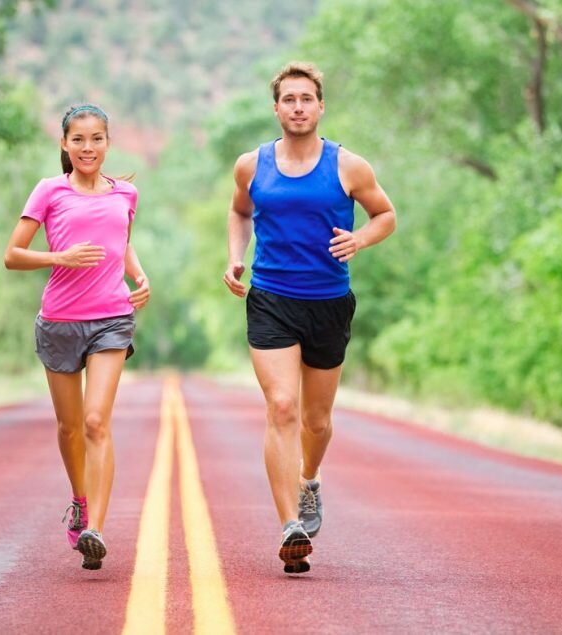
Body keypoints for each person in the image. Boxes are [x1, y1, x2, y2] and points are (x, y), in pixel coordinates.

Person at [223, 62, 396, 574]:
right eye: (289, 99)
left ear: (320, 107)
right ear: (276, 108)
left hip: (328, 302)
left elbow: (385, 215)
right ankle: (289, 525)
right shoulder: (251, 165)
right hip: (272, 297)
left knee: (316, 421)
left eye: (306, 99)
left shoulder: (349, 167)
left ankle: (310, 481)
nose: (298, 107)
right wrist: (236, 255)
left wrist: (359, 238)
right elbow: (239, 212)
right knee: (281, 406)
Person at [4, 104, 150, 570]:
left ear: (108, 142)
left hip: (111, 318)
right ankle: (80, 499)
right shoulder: (50, 191)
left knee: (94, 422)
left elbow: (120, 241)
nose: (88, 148)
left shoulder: (125, 193)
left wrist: (139, 276)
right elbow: (13, 254)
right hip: (60, 321)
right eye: (79, 140)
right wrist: (59, 258)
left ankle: (96, 530)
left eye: (97, 138)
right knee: (69, 428)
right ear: (65, 145)